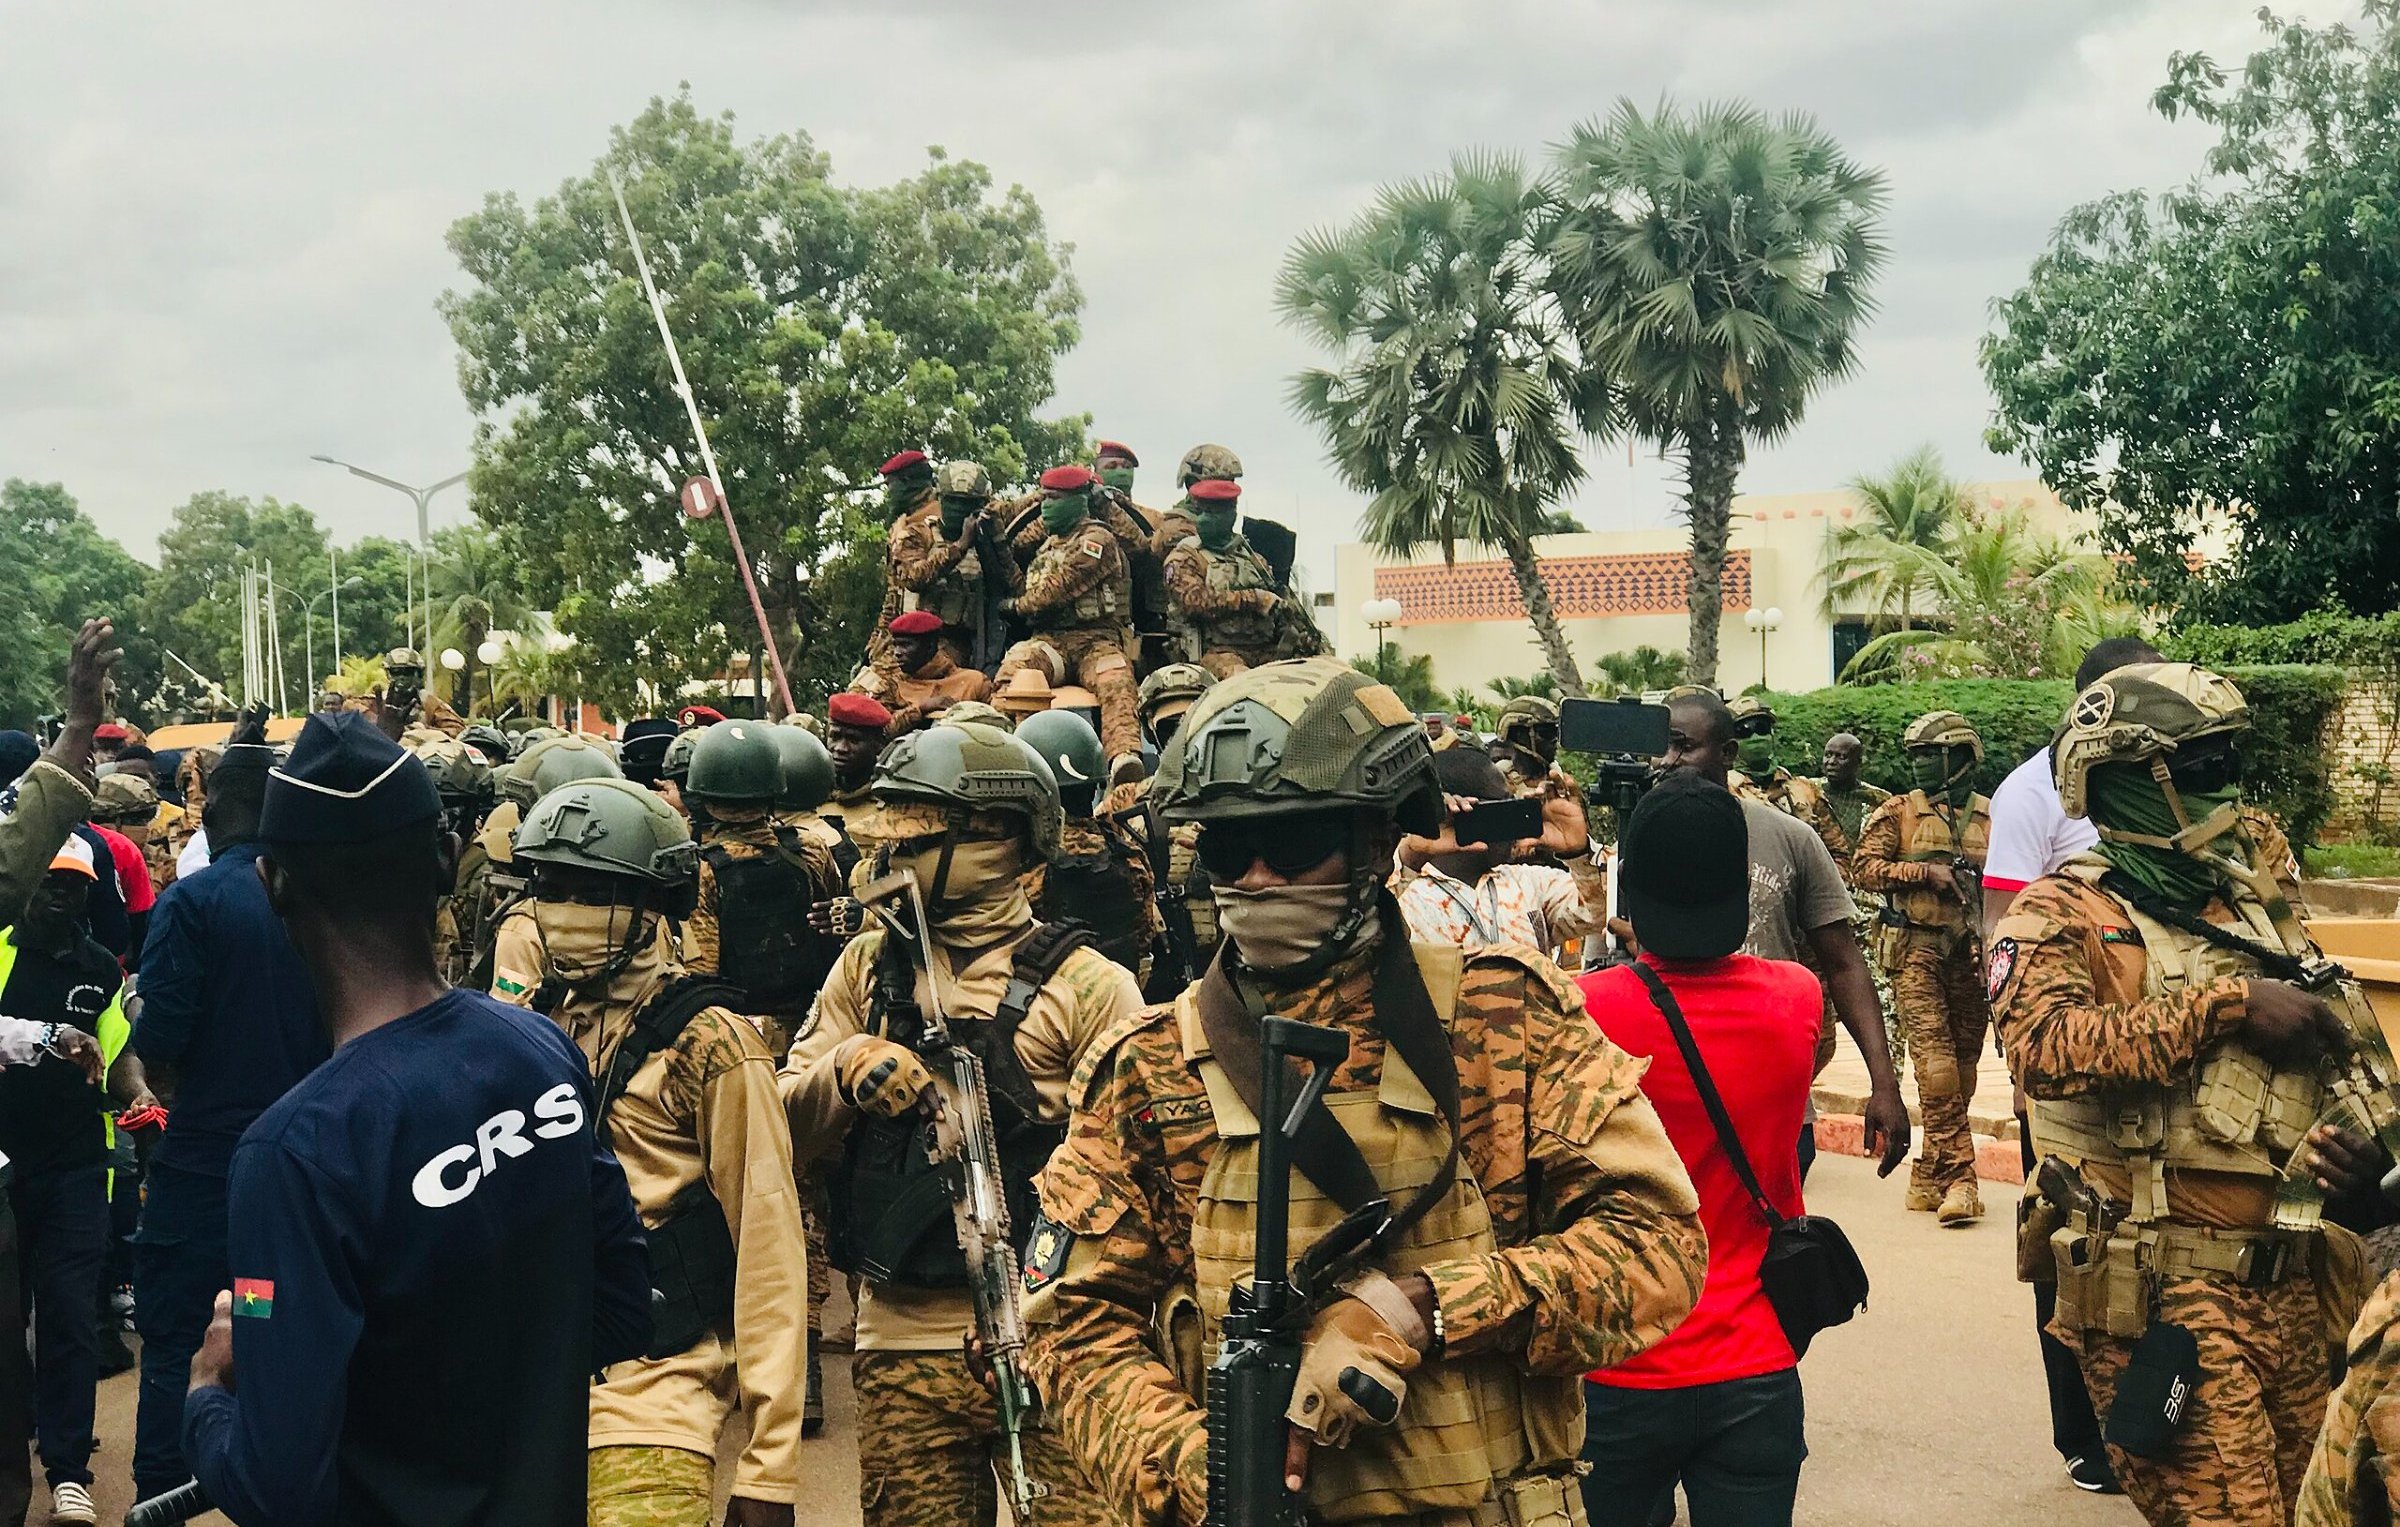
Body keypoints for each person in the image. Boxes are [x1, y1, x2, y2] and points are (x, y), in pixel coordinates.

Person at [1022, 656, 1708, 1527]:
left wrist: (1424, 1306)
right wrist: (1204, 1465)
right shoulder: (1149, 1066)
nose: (1260, 876)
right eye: (1231, 846)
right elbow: (1070, 1323)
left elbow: (1659, 1248)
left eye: (1296, 840)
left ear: (1381, 834)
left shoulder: (1503, 1013)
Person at [178, 710, 652, 1526]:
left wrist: (209, 1394)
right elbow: (623, 1307)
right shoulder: (540, 1052)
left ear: (273, 884)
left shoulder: (294, 1154)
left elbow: (273, 1485)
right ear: (443, 857)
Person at [1989, 661, 2365, 1526]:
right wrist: (2227, 1007)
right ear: (2128, 779)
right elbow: (2043, 1049)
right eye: (2201, 771)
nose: (2224, 792)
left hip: (2290, 1272)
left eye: (2230, 765)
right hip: (2166, 1289)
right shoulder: (2062, 913)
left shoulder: (2249, 902)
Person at [779, 720, 1144, 1527]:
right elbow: (780, 1135)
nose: (887, 860)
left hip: (1057, 1345)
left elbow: (1143, 1176)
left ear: (999, 839)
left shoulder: (1089, 986)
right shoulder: (869, 968)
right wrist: (842, 1075)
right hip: (902, 1344)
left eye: (916, 837)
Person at [511, 778, 807, 1527]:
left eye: (595, 889)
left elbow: (768, 1246)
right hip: (523, 1400)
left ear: (656, 902)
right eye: (552, 884)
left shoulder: (712, 1043)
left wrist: (771, 1465)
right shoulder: (523, 1026)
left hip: (655, 1398)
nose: (568, 909)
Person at [1576, 773, 1818, 1527]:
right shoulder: (1796, 996)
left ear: (1633, 894)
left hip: (1619, 1354)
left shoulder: (1583, 1010)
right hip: (1755, 1360)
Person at [125, 725, 333, 1504]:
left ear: (214, 812)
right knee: (267, 1319)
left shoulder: (195, 900)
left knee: (178, 1340)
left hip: (206, 1176)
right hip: (295, 1177)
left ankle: (158, 1498)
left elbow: (163, 1042)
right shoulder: (312, 902)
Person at [1979, 637, 2162, 1497]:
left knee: (2162, 1248)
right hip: (2066, 1067)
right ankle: (2082, 1435)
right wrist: (2023, 1060)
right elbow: (1998, 928)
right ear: (2092, 703)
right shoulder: (2033, 790)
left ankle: (2157, 1421)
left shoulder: (2168, 782)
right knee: (2067, 1245)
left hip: (2159, 1066)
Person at [1662, 691, 1912, 1177]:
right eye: (1662, 747)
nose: (1668, 761)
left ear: (1727, 754)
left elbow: (1843, 961)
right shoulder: (1638, 834)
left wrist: (1884, 1084)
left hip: (1770, 1101)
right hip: (1668, 1096)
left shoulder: (1790, 837)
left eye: (1682, 746)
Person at [0, 837, 130, 1525]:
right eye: (50, 879)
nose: (62, 893)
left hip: (78, 1165)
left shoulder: (98, 967)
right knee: (5, 1319)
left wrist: (132, 1088)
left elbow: (117, 1051)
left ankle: (69, 1471)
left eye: (76, 883)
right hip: (2, 1171)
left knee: (71, 1316)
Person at [1850, 711, 1995, 1226]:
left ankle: (1928, 1174)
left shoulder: (1988, 817)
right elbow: (1862, 869)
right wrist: (1921, 872)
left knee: (1963, 1071)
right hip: (1915, 951)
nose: (1916, 766)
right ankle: (1962, 1180)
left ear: (1957, 758)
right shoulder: (1898, 813)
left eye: (1926, 756)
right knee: (1934, 1068)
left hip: (1971, 956)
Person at [1980, 636, 2167, 938]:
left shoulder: (2179, 776)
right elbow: (2001, 927)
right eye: (2155, 693)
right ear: (2098, 704)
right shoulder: (2029, 792)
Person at [997, 464, 1143, 786]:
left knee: (1115, 680)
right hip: (1052, 642)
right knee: (1016, 669)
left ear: (1078, 500)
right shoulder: (1047, 546)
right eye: (1044, 498)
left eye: (1054, 499)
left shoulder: (1097, 539)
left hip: (1097, 640)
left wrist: (1015, 606)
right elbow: (1023, 576)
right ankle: (998, 744)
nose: (1045, 506)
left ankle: (1123, 757)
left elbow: (1055, 591)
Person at [1395, 747, 1606, 955]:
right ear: (1463, 811)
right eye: (1504, 805)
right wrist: (1410, 857)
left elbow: (1600, 915)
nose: (1513, 818)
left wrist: (1578, 854)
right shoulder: (1404, 890)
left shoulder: (1528, 882)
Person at [1099, 664, 1222, 989]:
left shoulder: (1240, 796)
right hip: (1158, 966)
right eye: (1170, 728)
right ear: (1152, 733)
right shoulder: (1126, 801)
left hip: (1230, 962)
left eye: (1190, 723)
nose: (1181, 737)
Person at [1017, 709, 1159, 975]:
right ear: (1095, 784)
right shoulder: (1130, 855)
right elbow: (1143, 940)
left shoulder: (1024, 866)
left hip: (1049, 997)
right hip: (1125, 988)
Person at [1159, 478, 1289, 679]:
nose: (1202, 519)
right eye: (1200, 512)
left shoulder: (1253, 559)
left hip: (1264, 650)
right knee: (1244, 681)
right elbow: (1193, 601)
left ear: (1231, 514)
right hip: (1215, 652)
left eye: (1211, 512)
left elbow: (1278, 606)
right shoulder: (1185, 556)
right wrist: (1254, 599)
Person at [852, 610, 994, 736]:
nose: (897, 653)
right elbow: (878, 733)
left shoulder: (974, 681)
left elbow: (998, 727)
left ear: (931, 646)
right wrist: (921, 709)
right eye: (895, 645)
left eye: (905, 645)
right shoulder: (890, 686)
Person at [1807, 732, 1887, 875]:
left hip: (1863, 880)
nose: (1831, 762)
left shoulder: (1878, 800)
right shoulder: (1807, 790)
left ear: (1858, 763)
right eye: (1828, 755)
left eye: (1841, 757)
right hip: (1817, 874)